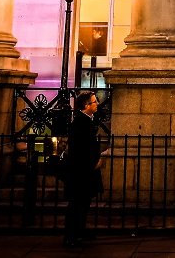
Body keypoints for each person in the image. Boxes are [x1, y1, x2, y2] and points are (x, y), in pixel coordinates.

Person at [63, 91, 103, 248]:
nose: (97, 104)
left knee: (83, 203)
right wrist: (93, 163)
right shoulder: (80, 123)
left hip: (85, 171)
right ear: (86, 106)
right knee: (76, 204)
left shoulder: (88, 121)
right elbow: (80, 150)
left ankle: (79, 231)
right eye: (94, 102)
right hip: (81, 172)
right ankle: (70, 235)